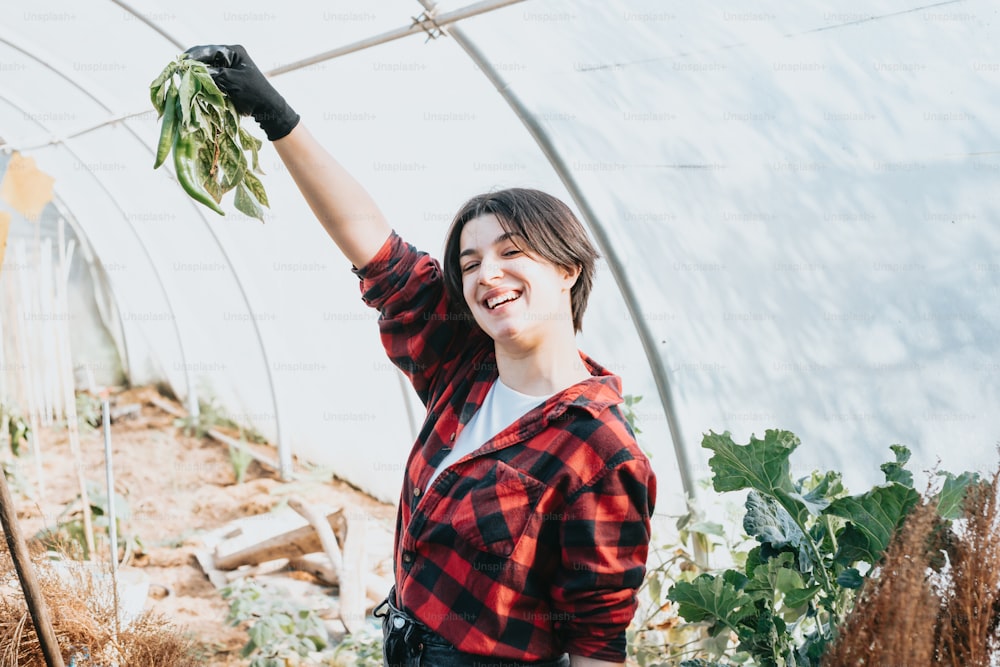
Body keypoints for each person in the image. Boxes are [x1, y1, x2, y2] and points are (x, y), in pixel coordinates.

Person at [185, 44, 656, 667]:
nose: (489, 273)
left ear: (568, 269)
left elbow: (596, 641)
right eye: (470, 262)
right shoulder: (465, 368)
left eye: (512, 252)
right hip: (406, 644)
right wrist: (276, 117)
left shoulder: (599, 451)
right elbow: (376, 251)